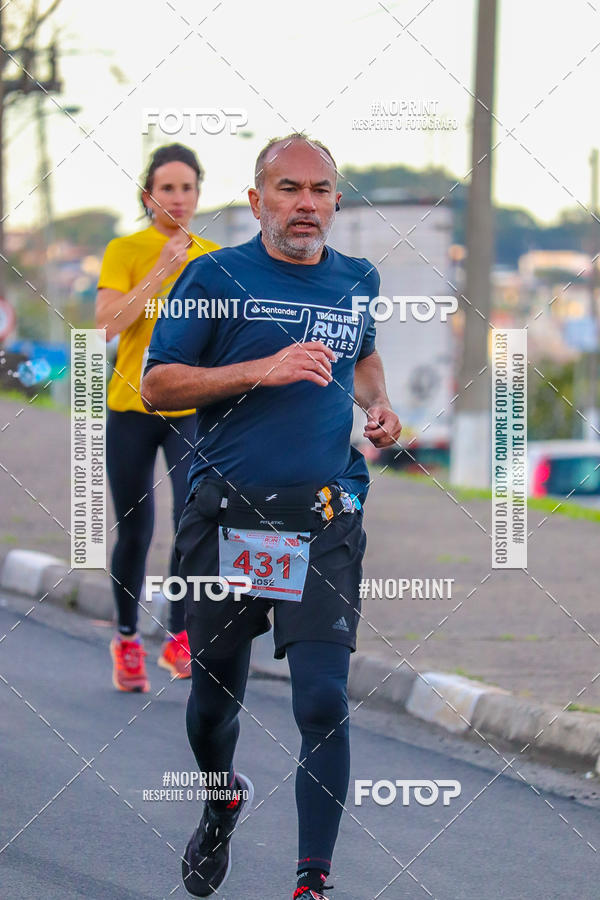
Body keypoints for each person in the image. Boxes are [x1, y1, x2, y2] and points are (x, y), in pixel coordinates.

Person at [141, 133, 401, 898]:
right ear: (257, 201)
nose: (305, 205)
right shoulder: (213, 275)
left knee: (321, 697)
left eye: (319, 191)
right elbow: (159, 385)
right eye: (288, 189)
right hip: (229, 522)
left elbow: (362, 354)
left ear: (335, 204)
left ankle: (310, 882)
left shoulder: (358, 280)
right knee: (214, 697)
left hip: (321, 520)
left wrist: (378, 404)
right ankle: (220, 798)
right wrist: (264, 367)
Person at [96, 143, 219, 692]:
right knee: (136, 529)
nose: (178, 197)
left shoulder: (214, 257)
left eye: (187, 188)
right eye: (167, 188)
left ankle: (178, 637)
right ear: (148, 196)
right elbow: (104, 325)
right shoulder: (124, 249)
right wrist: (161, 271)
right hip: (129, 407)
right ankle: (126, 640)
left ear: (197, 195)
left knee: (192, 524)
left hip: (190, 407)